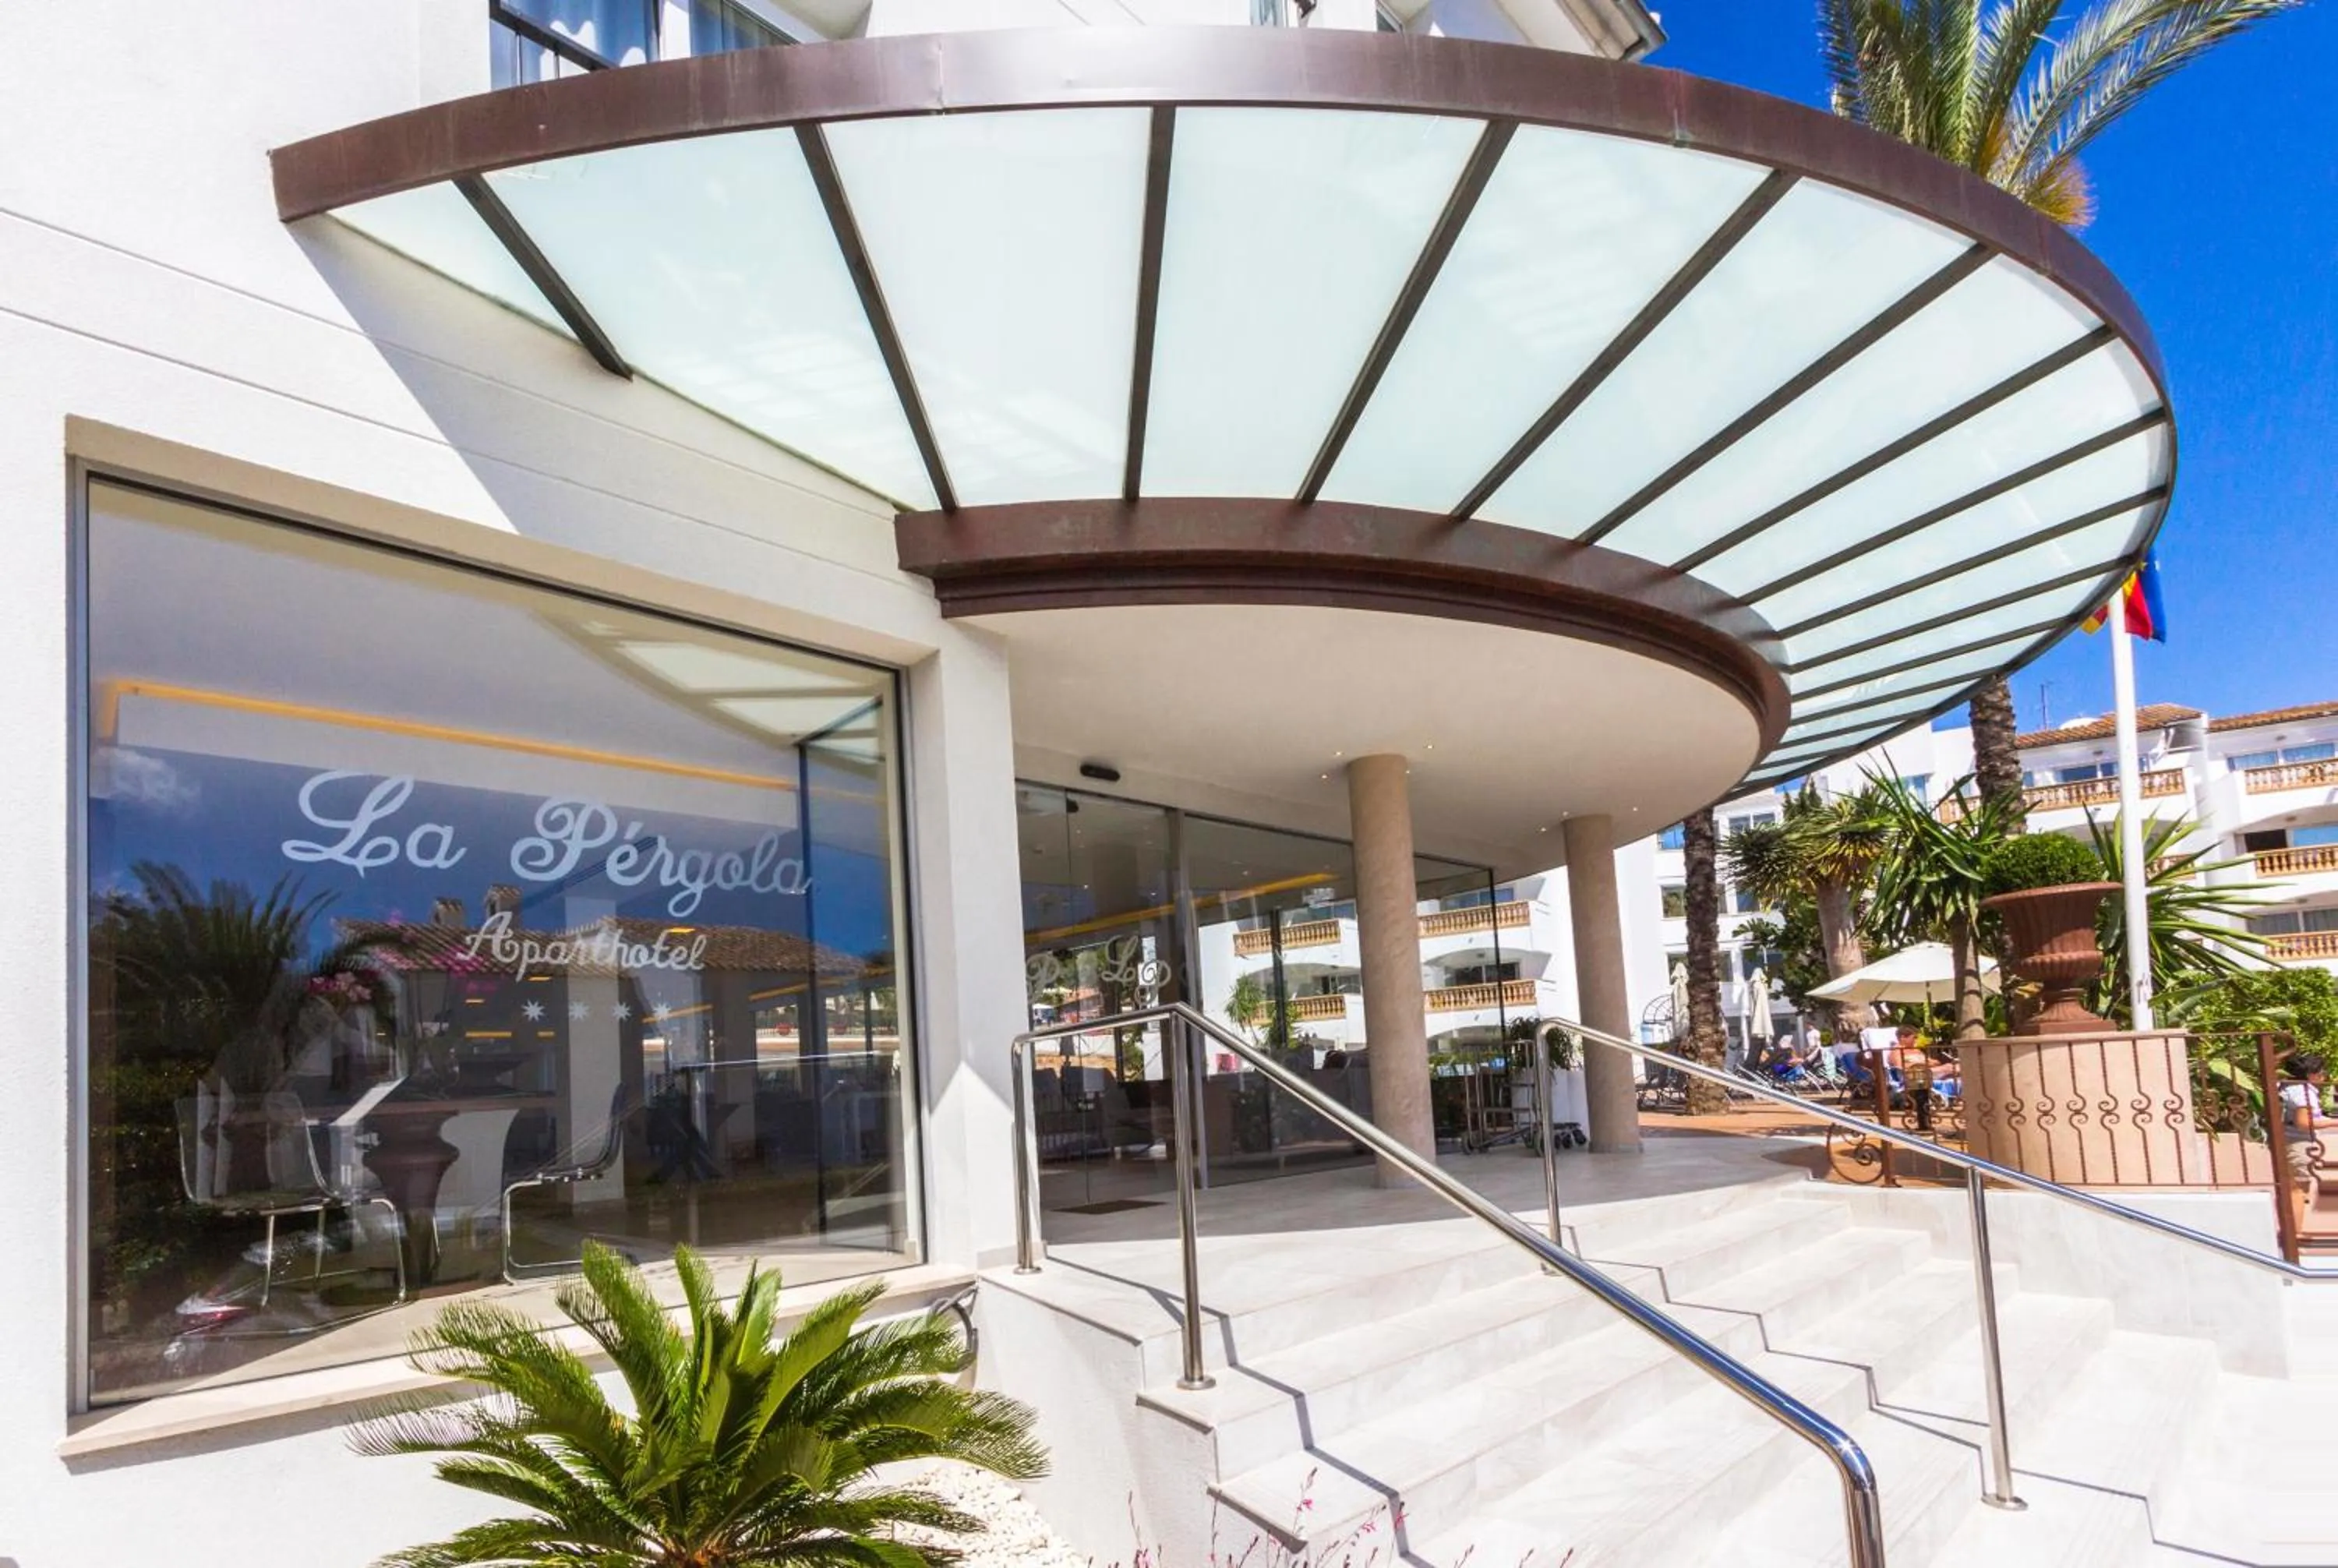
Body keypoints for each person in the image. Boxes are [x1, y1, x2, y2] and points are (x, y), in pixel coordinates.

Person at [2279, 1053, 2334, 1235]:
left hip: (2287, 1142)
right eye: (2321, 1072)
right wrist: (2335, 1123)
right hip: (2298, 1143)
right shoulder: (2303, 1092)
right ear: (2310, 1074)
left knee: (2290, 1188)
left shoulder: (2288, 1087)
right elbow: (2304, 1123)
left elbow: (2312, 1117)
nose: (2324, 1076)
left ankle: (2289, 1233)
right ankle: (2294, 1236)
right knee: (2298, 1190)